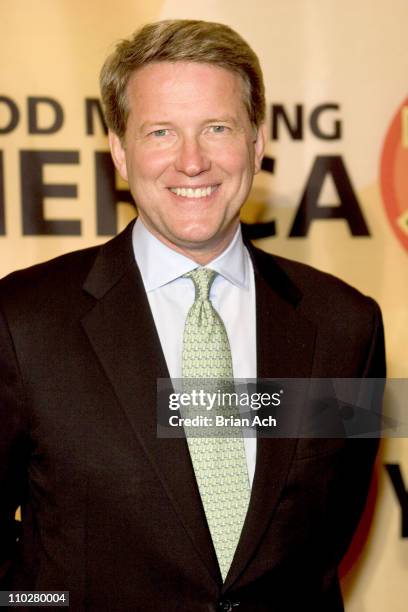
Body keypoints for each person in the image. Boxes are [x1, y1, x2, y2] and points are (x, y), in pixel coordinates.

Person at [0, 19, 385, 611]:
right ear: (119, 152)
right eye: (160, 132)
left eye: (217, 128)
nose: (192, 161)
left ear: (257, 144)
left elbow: (330, 532)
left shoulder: (346, 326)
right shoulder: (22, 321)